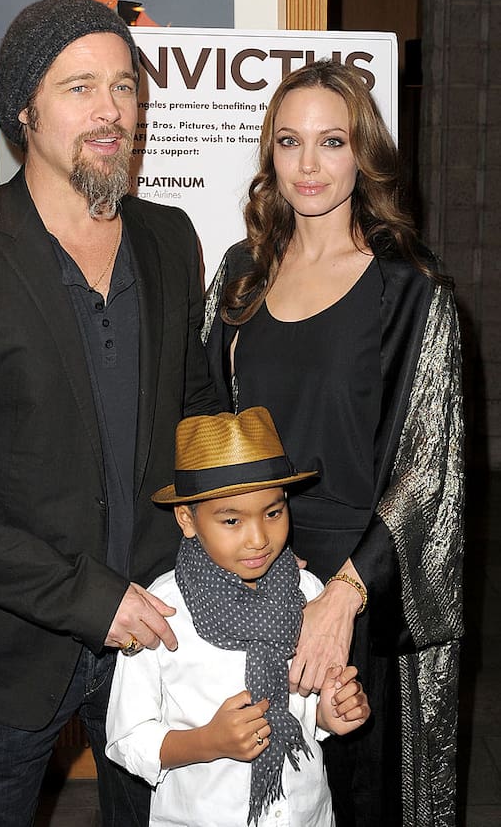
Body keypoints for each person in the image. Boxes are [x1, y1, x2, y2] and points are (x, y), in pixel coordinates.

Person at [0, 0, 219, 827]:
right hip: (2, 655)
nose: (111, 110)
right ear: (22, 111)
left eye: (124, 86)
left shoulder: (170, 238)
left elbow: (198, 410)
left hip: (159, 638)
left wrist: (233, 527)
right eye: (79, 87)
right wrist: (89, 598)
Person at [203, 60, 464, 827]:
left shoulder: (410, 290)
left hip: (362, 591)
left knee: (355, 796)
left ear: (363, 154)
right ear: (270, 155)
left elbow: (429, 470)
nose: (309, 165)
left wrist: (344, 594)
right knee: (253, 795)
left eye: (332, 141)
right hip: (251, 572)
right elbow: (210, 428)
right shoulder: (241, 275)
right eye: (289, 141)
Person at [106, 407, 370, 826]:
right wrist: (207, 742)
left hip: (305, 814)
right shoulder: (160, 611)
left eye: (273, 512)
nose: (259, 538)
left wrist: (329, 714)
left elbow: (305, 711)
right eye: (232, 520)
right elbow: (127, 739)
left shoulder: (308, 593)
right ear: (187, 519)